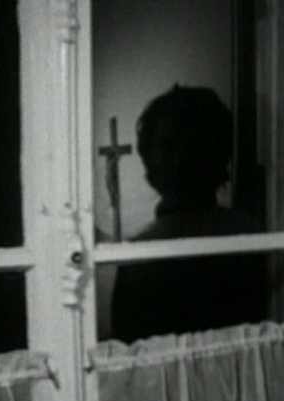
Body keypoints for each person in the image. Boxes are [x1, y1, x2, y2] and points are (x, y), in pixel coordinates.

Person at [111, 85, 266, 342]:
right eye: (167, 146)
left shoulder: (247, 235)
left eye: (195, 145)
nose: (180, 160)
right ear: (148, 155)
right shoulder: (138, 254)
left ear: (217, 153)